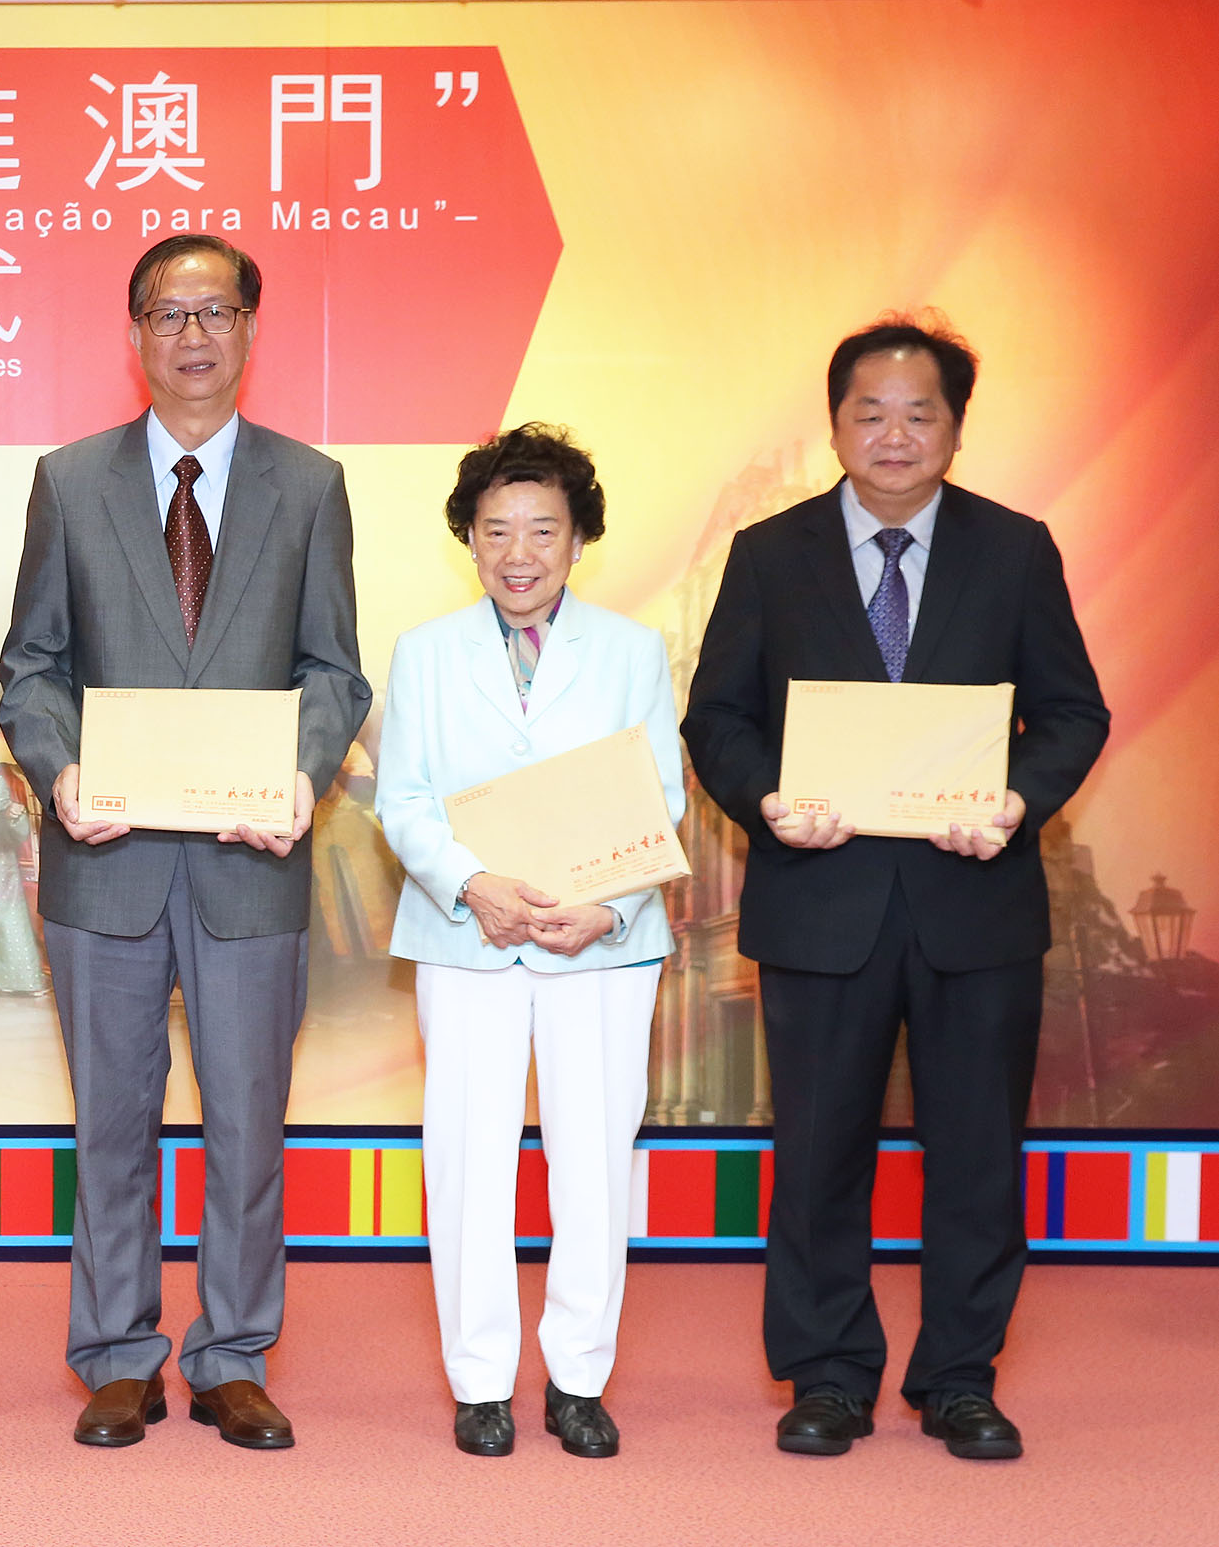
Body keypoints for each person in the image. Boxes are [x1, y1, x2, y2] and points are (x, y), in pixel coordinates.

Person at [682, 317, 1108, 1461]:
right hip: (820, 904)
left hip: (976, 906)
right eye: (869, 411)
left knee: (977, 1158)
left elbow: (1073, 711)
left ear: (956, 428)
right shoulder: (770, 555)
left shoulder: (1014, 550)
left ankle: (959, 1378)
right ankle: (827, 1375)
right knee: (818, 1156)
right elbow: (716, 718)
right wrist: (767, 800)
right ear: (834, 424)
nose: (893, 434)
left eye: (920, 413)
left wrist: (1014, 801)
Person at [0, 234, 369, 1451]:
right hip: (104, 859)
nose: (192, 335)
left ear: (250, 328)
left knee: (247, 1125)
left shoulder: (309, 486)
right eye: (168, 313)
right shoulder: (71, 480)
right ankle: (116, 1355)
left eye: (215, 312)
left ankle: (230, 1356)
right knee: (109, 1123)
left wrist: (300, 777)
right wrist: (59, 773)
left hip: (248, 863)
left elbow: (332, 670)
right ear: (135, 334)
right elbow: (31, 666)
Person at [375, 425, 685, 1460]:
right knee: (466, 1158)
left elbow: (661, 796)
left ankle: (577, 1379)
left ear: (577, 538)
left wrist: (607, 904)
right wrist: (473, 884)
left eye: (542, 530)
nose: (518, 553)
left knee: (593, 1158)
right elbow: (403, 798)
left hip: (600, 941)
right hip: (467, 934)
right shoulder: (424, 652)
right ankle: (479, 1382)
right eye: (496, 529)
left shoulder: (631, 651)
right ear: (467, 537)